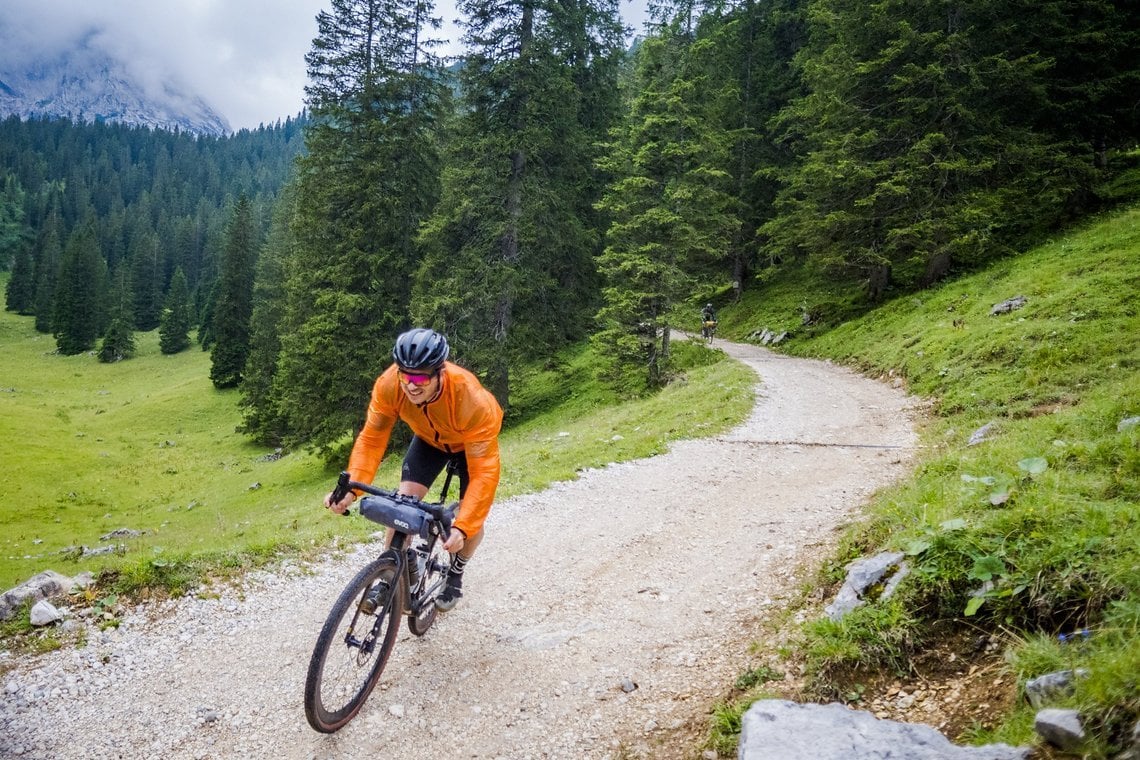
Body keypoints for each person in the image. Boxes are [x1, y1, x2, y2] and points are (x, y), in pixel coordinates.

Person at [324, 328, 504, 612]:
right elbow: (371, 440)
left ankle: (456, 572)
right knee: (402, 507)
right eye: (405, 375)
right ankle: (388, 578)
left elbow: (484, 472)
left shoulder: (471, 399)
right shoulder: (389, 384)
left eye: (420, 377)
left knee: (471, 527)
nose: (411, 385)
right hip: (429, 442)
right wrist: (352, 489)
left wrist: (463, 526)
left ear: (439, 372)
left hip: (471, 448)